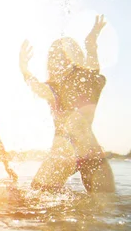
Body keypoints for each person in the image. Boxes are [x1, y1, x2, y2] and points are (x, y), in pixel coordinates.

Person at [19, 14, 115, 193]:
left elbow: (35, 86)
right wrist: (91, 42)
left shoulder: (56, 89)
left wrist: (24, 69)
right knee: (107, 208)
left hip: (63, 153)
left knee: (35, 199)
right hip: (90, 152)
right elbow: (92, 58)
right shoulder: (89, 81)